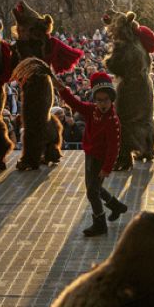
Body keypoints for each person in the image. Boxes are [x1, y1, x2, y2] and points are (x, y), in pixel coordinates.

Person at [52, 72, 128, 237]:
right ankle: (115, 206)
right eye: (99, 100)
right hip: (90, 155)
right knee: (95, 188)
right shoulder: (92, 110)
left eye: (105, 100)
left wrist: (107, 168)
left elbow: (114, 148)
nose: (102, 104)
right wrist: (61, 89)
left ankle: (100, 223)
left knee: (92, 191)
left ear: (111, 99)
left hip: (100, 159)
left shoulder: (112, 121)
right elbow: (74, 103)